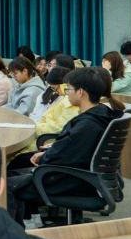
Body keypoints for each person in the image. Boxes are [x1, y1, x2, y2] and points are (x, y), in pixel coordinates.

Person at [9, 67, 126, 222]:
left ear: (81, 92)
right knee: (15, 171)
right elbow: (70, 150)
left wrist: (44, 156)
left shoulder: (87, 125)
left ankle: (16, 233)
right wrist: (48, 153)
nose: (66, 93)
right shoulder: (101, 114)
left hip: (73, 181)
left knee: (6, 185)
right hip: (86, 178)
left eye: (69, 89)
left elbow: (60, 156)